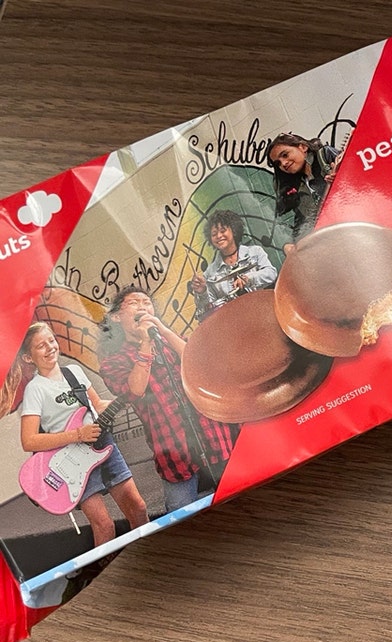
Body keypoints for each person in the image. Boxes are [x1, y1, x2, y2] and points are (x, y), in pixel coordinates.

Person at [99, 286, 238, 513]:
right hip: (173, 451)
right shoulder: (114, 362)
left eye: (147, 302)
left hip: (214, 436)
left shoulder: (171, 341)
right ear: (115, 316)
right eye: (134, 303)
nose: (143, 307)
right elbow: (135, 390)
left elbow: (198, 362)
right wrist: (145, 344)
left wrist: (162, 330)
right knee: (181, 515)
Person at [19, 322, 149, 546]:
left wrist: (125, 401)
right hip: (71, 461)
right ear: (29, 358)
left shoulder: (74, 372)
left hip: (102, 444)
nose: (50, 347)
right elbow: (29, 441)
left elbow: (96, 405)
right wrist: (78, 434)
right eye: (41, 345)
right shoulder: (35, 389)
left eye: (51, 340)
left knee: (138, 508)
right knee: (104, 525)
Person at [189, 209, 278, 315]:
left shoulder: (254, 252)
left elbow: (271, 274)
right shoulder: (209, 273)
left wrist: (249, 278)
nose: (219, 236)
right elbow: (210, 310)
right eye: (214, 234)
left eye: (223, 231)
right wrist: (202, 292)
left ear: (234, 230)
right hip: (237, 322)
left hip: (266, 311)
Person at [266, 133, 341, 255]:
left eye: (285, 155)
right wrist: (290, 244)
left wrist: (340, 178)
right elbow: (303, 221)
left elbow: (360, 177)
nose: (283, 163)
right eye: (278, 163)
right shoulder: (297, 187)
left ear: (303, 147)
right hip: (333, 245)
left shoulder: (325, 156)